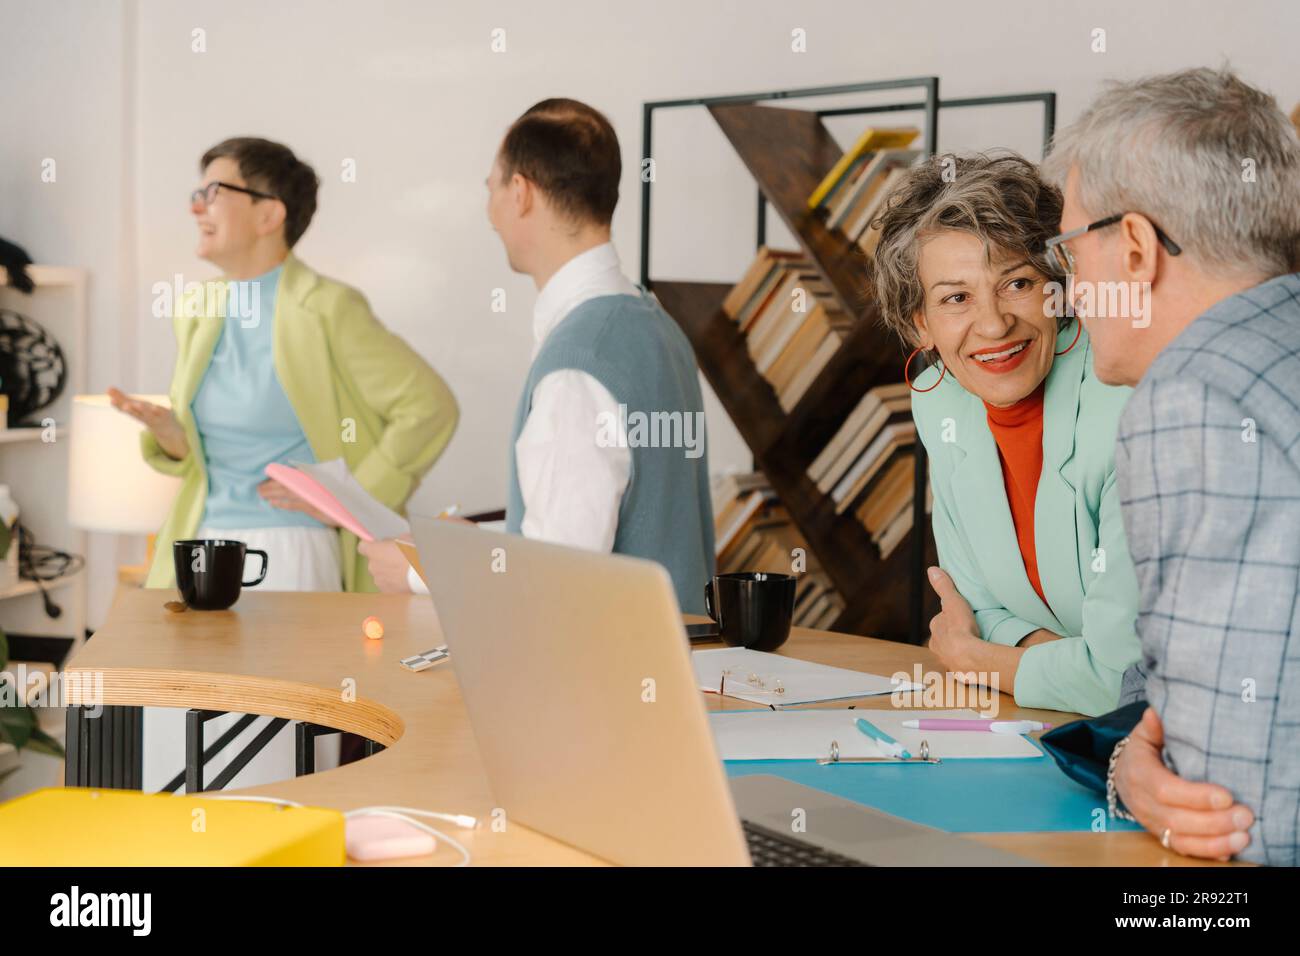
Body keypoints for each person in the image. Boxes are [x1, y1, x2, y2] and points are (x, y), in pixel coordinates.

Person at [1041, 66, 1300, 864]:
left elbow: (1228, 817)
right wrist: (1128, 761)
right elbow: (1163, 685)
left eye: (1068, 250)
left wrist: (1143, 781)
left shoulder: (1196, 396)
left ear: (1135, 249)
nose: (1069, 292)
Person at [361, 99, 715, 613]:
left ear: (521, 192)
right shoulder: (653, 324)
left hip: (600, 681)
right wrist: (472, 542)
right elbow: (598, 524)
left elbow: (558, 573)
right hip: (669, 673)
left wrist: (423, 570)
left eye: (492, 188)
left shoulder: (579, 363)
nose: (490, 213)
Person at [112, 137, 458, 593]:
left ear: (269, 215)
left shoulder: (329, 308)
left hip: (288, 550)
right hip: (201, 540)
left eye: (213, 193)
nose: (196, 209)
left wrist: (350, 500)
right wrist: (173, 437)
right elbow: (207, 458)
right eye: (197, 196)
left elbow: (429, 407)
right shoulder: (196, 309)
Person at [872, 153, 1141, 716]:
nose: (993, 325)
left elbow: (1126, 681)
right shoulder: (939, 400)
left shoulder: (1127, 400)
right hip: (1039, 725)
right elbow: (973, 604)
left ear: (1058, 290)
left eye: (1017, 283)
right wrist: (1066, 663)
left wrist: (979, 662)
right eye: (955, 297)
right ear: (920, 322)